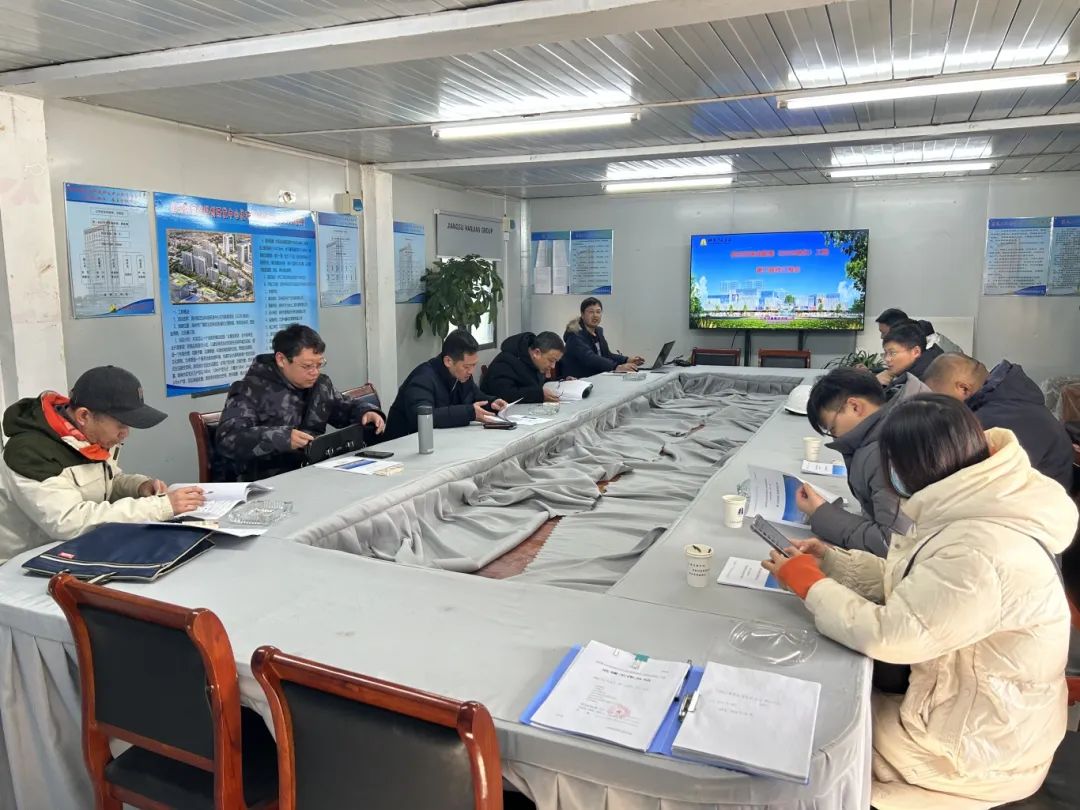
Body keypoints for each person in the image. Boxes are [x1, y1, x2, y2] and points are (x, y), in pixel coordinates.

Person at [764, 395, 1078, 809]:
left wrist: (812, 586)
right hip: (977, 712)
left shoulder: (980, 552)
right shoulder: (977, 504)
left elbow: (892, 635)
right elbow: (920, 585)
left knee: (805, 735)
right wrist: (833, 562)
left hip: (975, 751)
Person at [0, 366, 205, 564]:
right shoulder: (29, 452)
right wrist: (161, 507)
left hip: (76, 550)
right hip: (21, 565)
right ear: (84, 416)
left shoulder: (87, 438)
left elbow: (107, 484)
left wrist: (139, 487)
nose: (125, 434)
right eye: (121, 425)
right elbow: (69, 522)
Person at [215, 324, 385, 481]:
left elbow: (343, 407)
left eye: (319, 364)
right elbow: (229, 438)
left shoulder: (320, 385)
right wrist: (282, 438)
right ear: (282, 360)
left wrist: (366, 412)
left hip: (315, 472)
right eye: (307, 366)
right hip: (269, 480)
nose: (315, 372)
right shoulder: (249, 390)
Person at [799, 368, 927, 556]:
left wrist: (821, 512)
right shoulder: (910, 418)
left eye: (832, 428)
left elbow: (892, 544)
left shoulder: (886, 452)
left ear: (855, 406)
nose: (835, 437)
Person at [923, 353, 1073, 489]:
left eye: (941, 401)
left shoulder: (995, 423)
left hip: (1031, 507)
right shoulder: (1011, 402)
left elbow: (968, 487)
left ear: (963, 388)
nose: (940, 410)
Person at [384, 329, 508, 441]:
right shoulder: (423, 378)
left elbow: (475, 396)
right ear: (448, 361)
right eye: (466, 366)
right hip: (404, 445)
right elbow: (423, 417)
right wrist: (469, 413)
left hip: (440, 440)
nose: (471, 371)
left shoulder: (461, 375)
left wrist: (492, 403)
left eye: (474, 365)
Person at [561, 297, 644, 378]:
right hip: (578, 380)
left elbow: (606, 355)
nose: (595, 315)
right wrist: (616, 367)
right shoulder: (575, 335)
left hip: (596, 377)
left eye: (598, 312)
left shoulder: (598, 332)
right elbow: (590, 358)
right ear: (582, 315)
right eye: (591, 312)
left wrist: (627, 360)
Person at [480, 331, 565, 404]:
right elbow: (505, 395)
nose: (553, 366)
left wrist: (561, 379)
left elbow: (533, 386)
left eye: (555, 361)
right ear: (537, 353)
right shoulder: (504, 363)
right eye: (551, 360)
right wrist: (539, 395)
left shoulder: (535, 362)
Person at [879, 320, 942, 387]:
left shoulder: (920, 383)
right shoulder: (928, 367)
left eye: (893, 353)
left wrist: (876, 386)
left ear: (916, 352)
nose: (887, 359)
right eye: (886, 353)